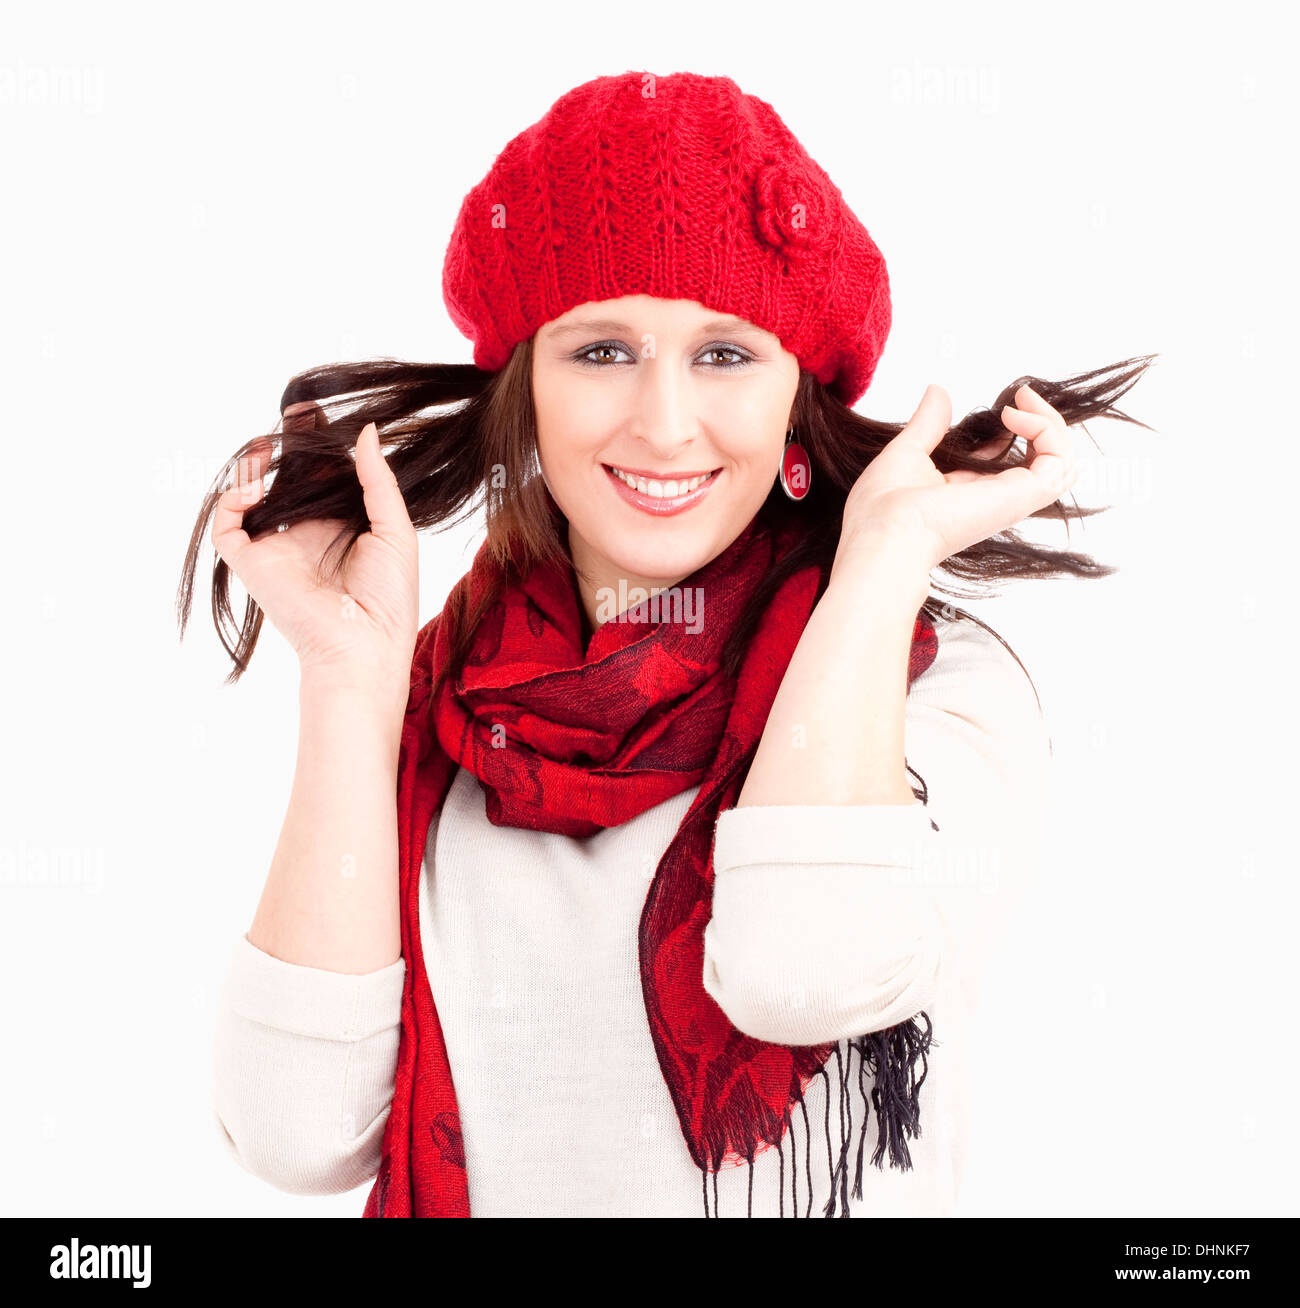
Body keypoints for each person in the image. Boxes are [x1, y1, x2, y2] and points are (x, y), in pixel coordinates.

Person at [177, 69, 1152, 1218]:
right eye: (601, 352)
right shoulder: (443, 704)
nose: (663, 423)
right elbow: (297, 1137)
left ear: (798, 393)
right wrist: (348, 685)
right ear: (524, 389)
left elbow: (803, 972)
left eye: (725, 354)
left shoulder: (930, 687)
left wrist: (879, 565)